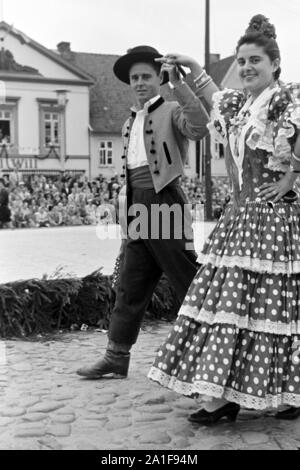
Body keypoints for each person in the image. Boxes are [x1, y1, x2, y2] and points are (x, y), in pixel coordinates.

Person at [148, 15, 300, 423]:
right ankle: (223, 394)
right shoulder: (240, 104)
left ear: (275, 64)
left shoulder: (287, 99)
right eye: (242, 61)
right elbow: (213, 97)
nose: (247, 67)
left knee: (270, 310)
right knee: (225, 304)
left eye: (255, 60)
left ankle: (282, 393)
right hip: (239, 219)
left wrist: (290, 176)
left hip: (272, 219)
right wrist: (191, 69)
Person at [77, 45, 209, 379]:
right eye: (134, 78)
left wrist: (179, 84)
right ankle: (116, 356)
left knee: (186, 279)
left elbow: (200, 127)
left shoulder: (173, 108)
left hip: (165, 200)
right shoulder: (127, 122)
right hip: (137, 205)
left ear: (157, 78)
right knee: (129, 283)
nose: (139, 82)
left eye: (145, 77)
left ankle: (211, 352)